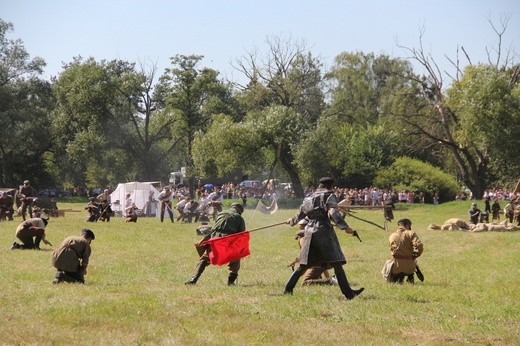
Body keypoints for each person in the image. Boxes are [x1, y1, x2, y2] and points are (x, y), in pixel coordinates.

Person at [283, 177, 364, 300]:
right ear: (331, 186)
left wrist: (291, 221)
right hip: (323, 230)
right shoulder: (329, 196)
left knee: (304, 265)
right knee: (336, 263)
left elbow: (299, 215)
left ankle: (288, 289)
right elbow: (333, 212)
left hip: (309, 231)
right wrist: (345, 227)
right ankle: (348, 293)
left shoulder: (308, 198)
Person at [185, 203, 246, 286]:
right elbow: (241, 235)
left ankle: (194, 278)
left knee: (206, 257)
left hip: (215, 237)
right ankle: (231, 282)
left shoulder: (221, 213)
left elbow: (215, 228)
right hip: (227, 239)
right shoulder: (239, 217)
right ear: (239, 211)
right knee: (235, 257)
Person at [289, 219, 337, 286]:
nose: (300, 227)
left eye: (301, 226)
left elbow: (307, 256)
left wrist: (298, 270)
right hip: (322, 262)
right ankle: (330, 279)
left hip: (316, 263)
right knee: (315, 277)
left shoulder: (304, 238)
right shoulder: (315, 234)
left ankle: (332, 280)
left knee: (305, 282)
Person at [386, 218, 424, 283]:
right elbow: (419, 245)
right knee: (412, 262)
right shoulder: (410, 233)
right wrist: (416, 255)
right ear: (407, 226)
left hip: (395, 268)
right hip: (409, 267)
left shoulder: (392, 235)